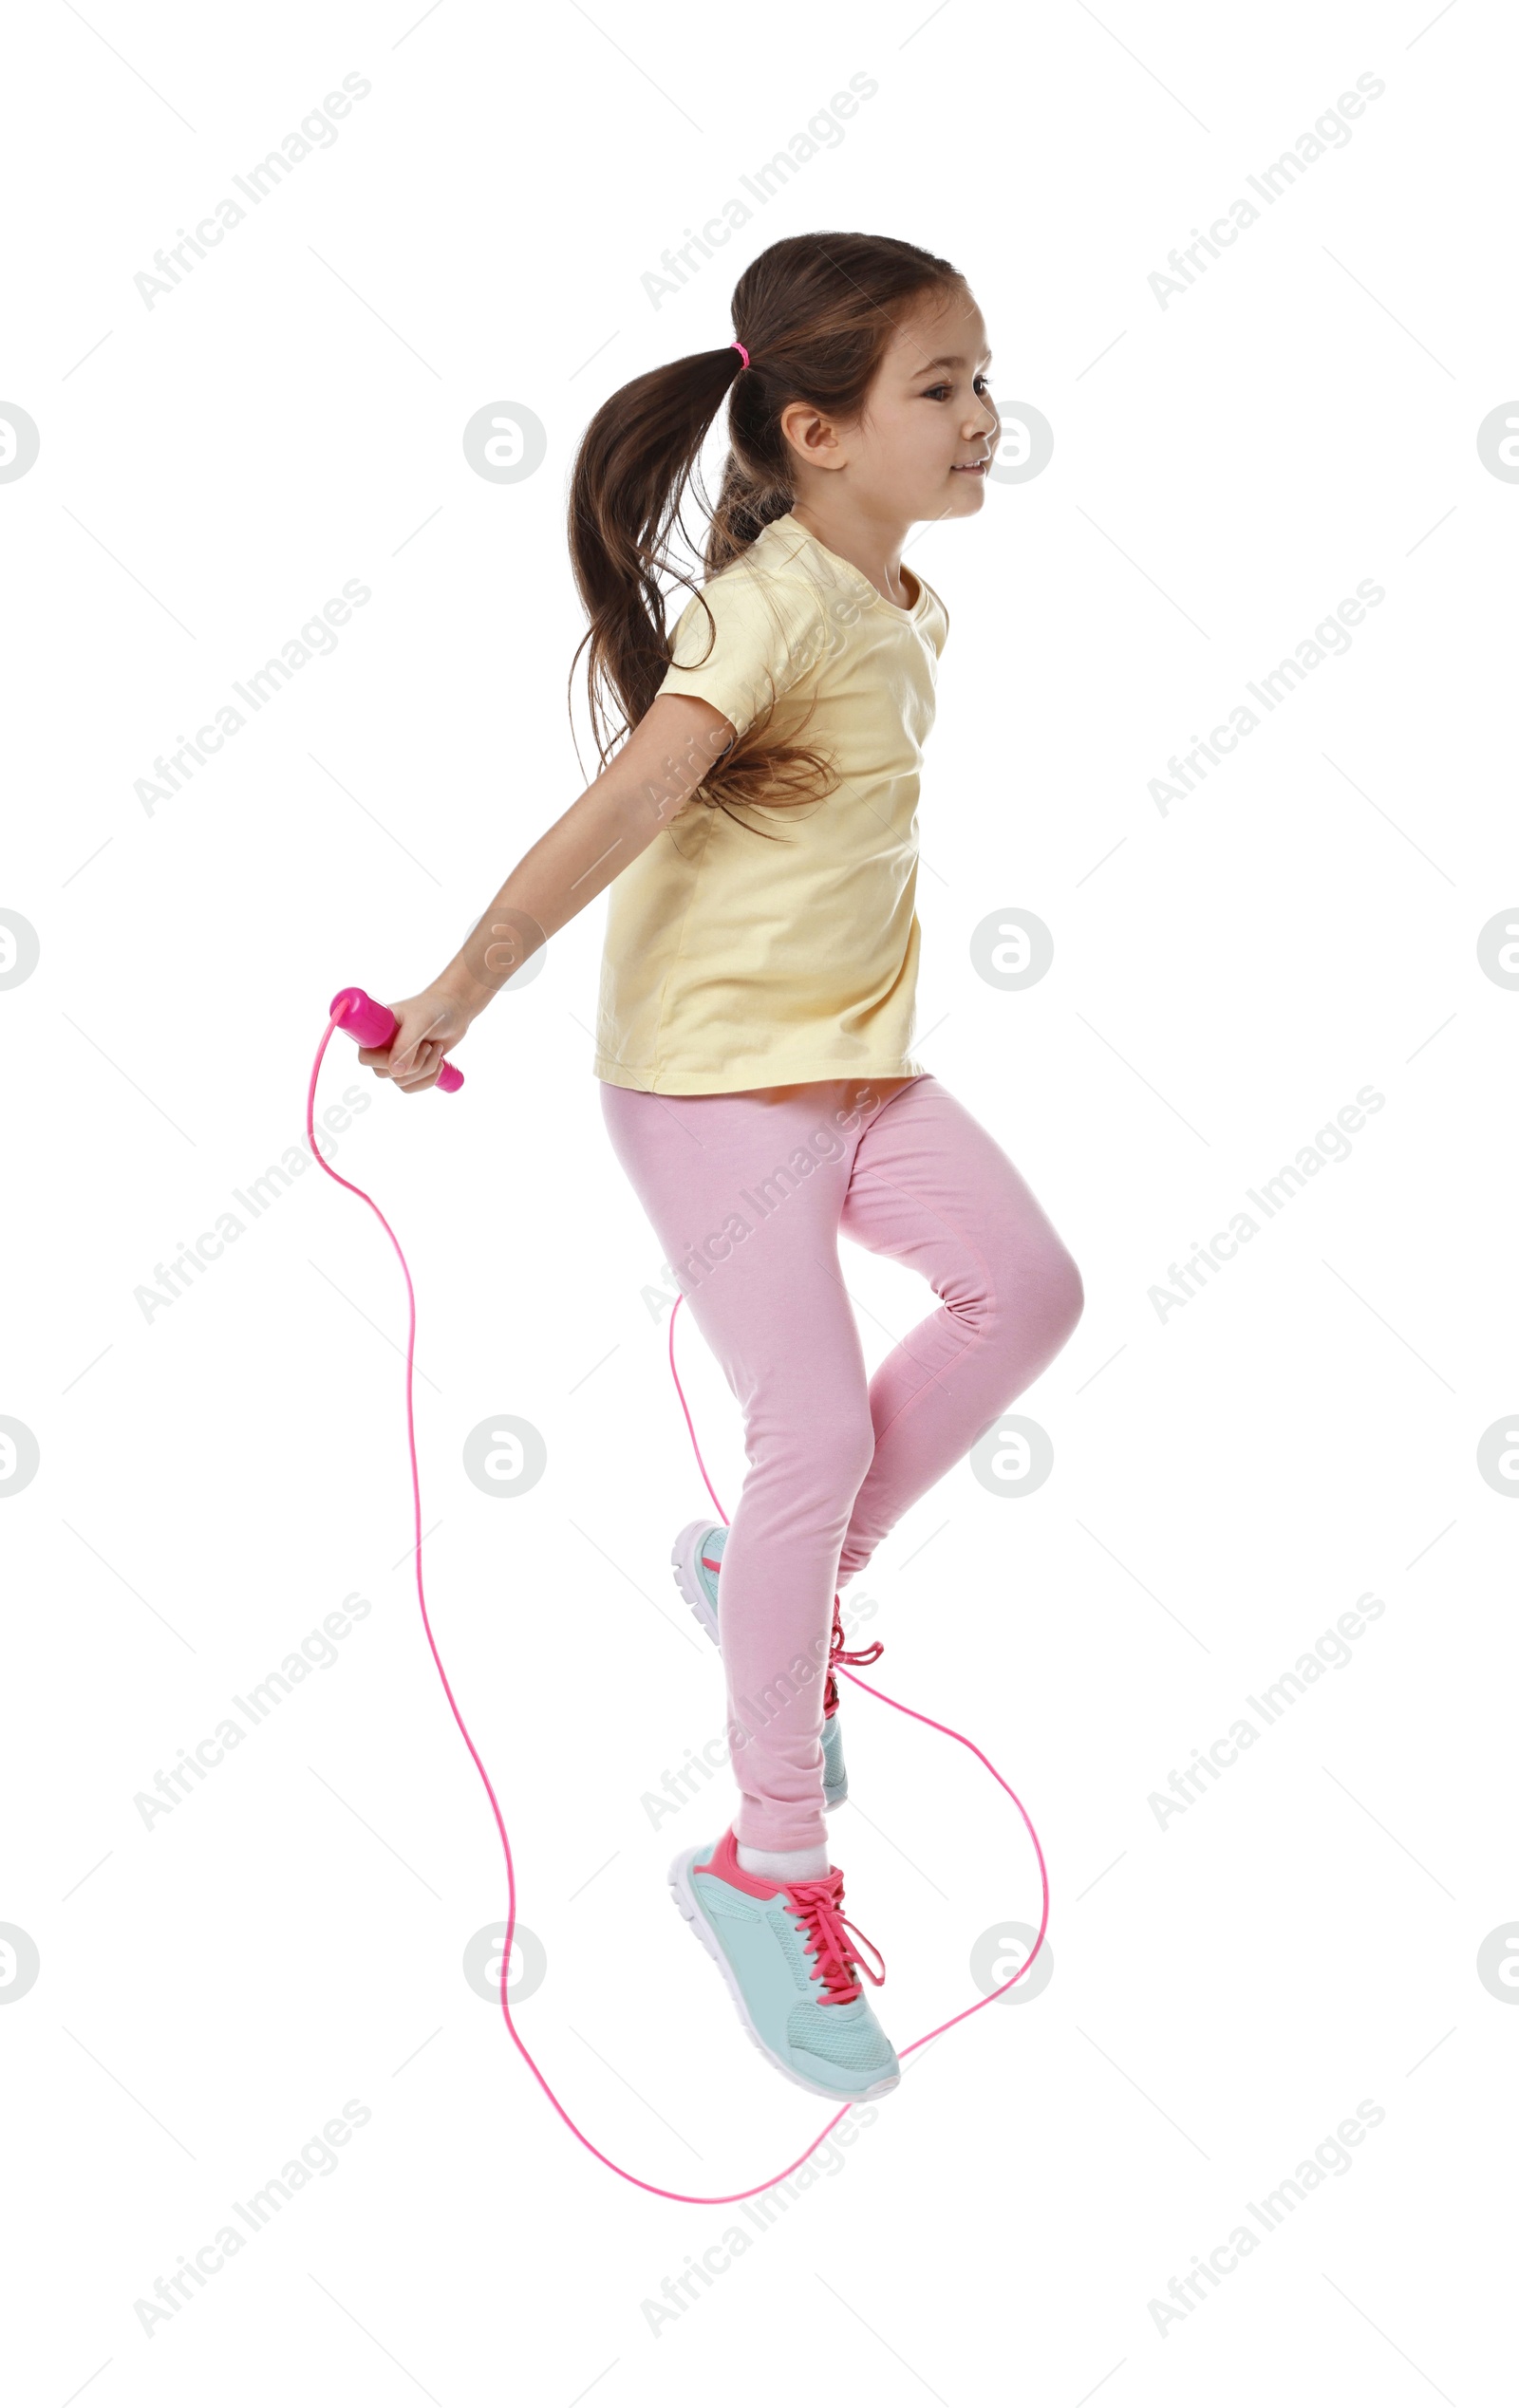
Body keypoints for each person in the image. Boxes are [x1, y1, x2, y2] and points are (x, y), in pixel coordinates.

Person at [358, 231, 1084, 2104]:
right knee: (813, 1424)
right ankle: (768, 1863)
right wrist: (456, 989)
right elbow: (620, 806)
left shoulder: (905, 604)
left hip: (848, 1072)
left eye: (979, 378)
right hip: (706, 1095)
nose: (980, 417)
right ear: (818, 430)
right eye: (938, 390)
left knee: (1029, 1288)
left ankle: (766, 1573)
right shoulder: (769, 611)